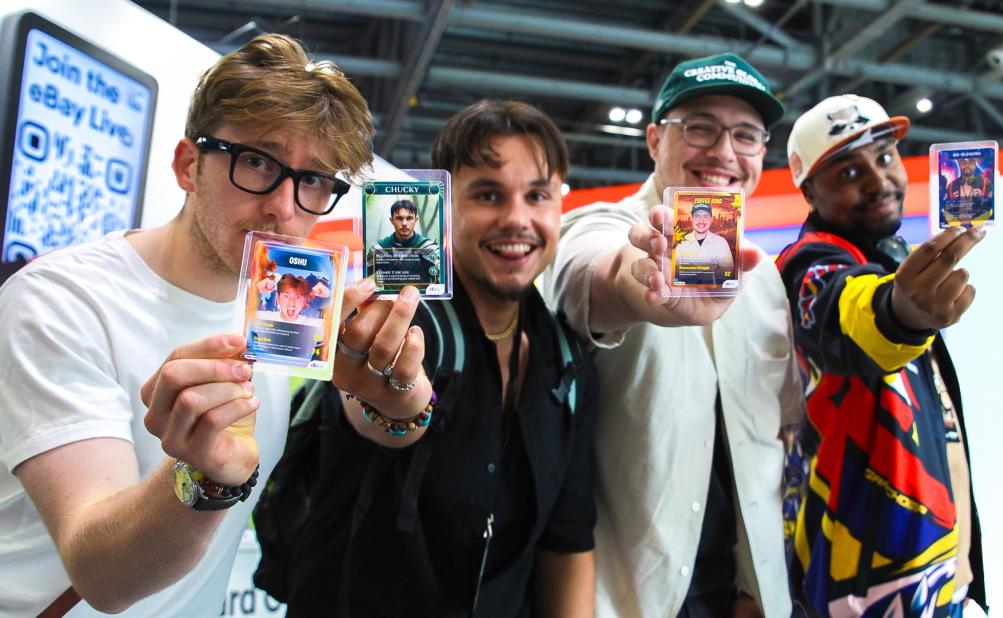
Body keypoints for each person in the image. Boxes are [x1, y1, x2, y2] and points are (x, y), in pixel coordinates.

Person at [0, 34, 418, 617]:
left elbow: (385, 428)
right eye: (257, 162)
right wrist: (201, 479)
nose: (285, 208)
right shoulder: (61, 303)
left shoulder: (288, 312)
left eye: (315, 179)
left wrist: (402, 395)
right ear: (188, 165)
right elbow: (105, 579)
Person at [263, 99, 599, 617]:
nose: (517, 219)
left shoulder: (568, 356)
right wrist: (389, 400)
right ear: (444, 207)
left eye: (537, 195)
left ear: (560, 205)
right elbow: (376, 411)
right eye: (487, 195)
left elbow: (568, 542)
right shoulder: (407, 323)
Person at [544, 53, 801, 617]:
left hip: (743, 594)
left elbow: (775, 432)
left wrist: (755, 585)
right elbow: (589, 278)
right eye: (701, 127)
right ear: (655, 139)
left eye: (746, 135)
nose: (724, 153)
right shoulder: (604, 226)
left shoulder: (765, 279)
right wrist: (641, 291)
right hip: (626, 592)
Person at [777, 94, 987, 616]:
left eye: (885, 158)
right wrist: (900, 313)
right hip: (866, 584)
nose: (878, 181)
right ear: (808, 190)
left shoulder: (890, 254)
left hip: (936, 568)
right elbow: (847, 314)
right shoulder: (807, 264)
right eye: (849, 171)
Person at [674, 202, 735, 284]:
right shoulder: (682, 242)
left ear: (711, 219)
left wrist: (691, 270)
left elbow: (729, 270)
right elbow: (675, 271)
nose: (701, 220)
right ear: (691, 219)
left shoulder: (721, 242)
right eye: (697, 216)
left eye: (705, 216)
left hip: (713, 291)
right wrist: (711, 268)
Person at [372, 199, 439, 251]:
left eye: (409, 218)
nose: (404, 223)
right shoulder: (379, 249)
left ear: (415, 220)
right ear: (392, 220)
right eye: (399, 218)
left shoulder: (428, 248)